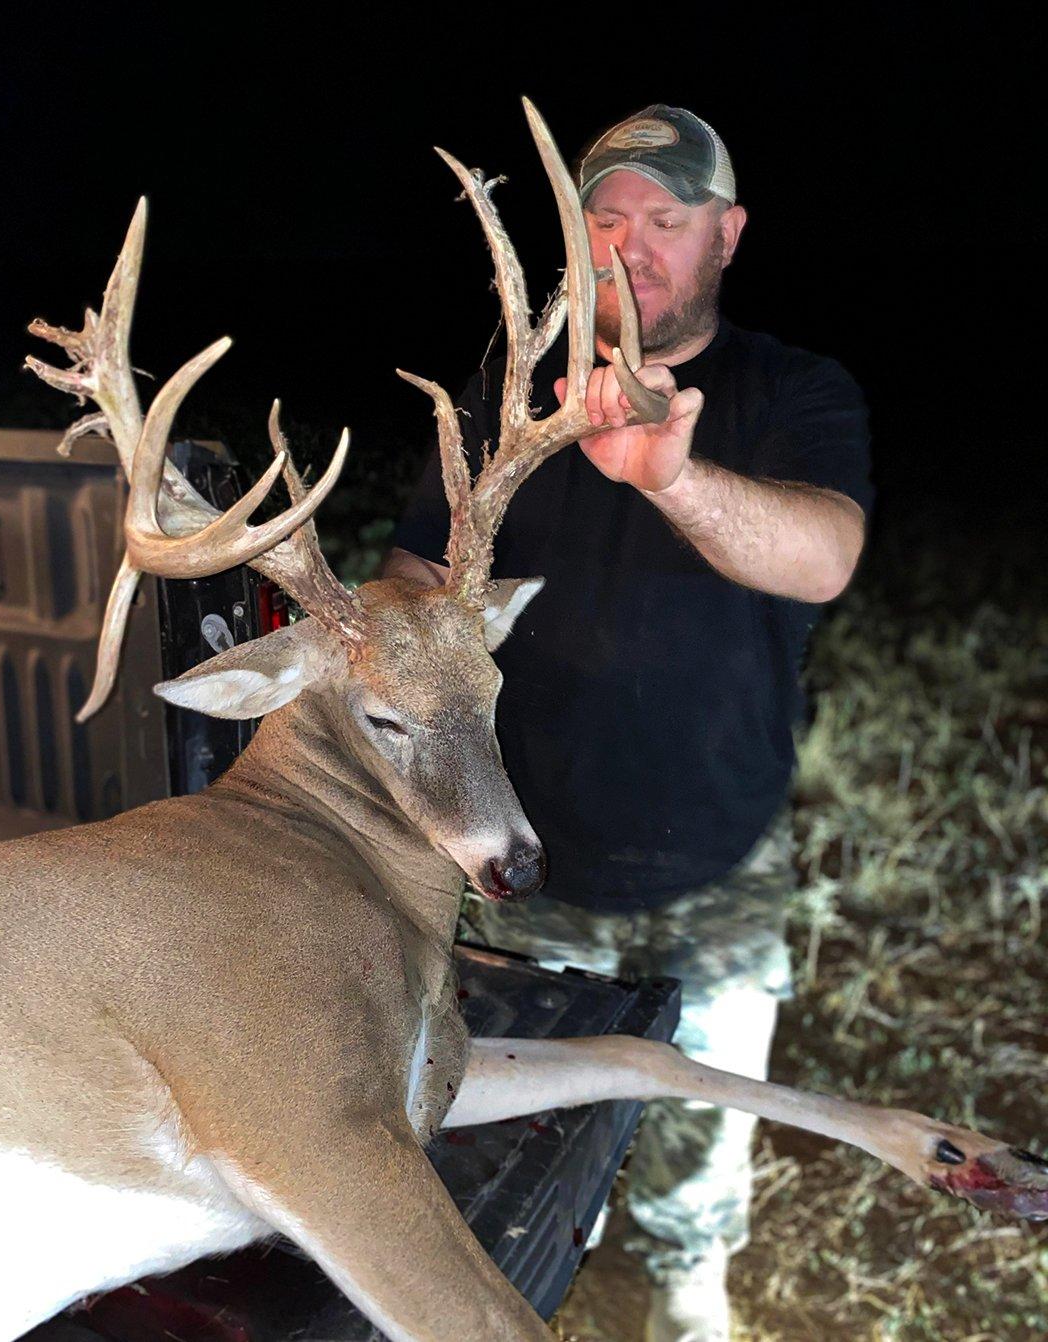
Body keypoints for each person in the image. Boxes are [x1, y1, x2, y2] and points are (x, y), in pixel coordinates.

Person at [383, 104, 872, 1342]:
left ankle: (682, 1286)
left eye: (668, 218)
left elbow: (821, 557)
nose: (634, 246)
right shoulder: (507, 390)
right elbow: (411, 576)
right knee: (509, 1127)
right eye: (606, 221)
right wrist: (356, 621)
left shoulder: (790, 391)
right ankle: (533, 1270)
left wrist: (673, 476)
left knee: (699, 1131)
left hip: (711, 864)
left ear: (727, 234)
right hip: (515, 863)